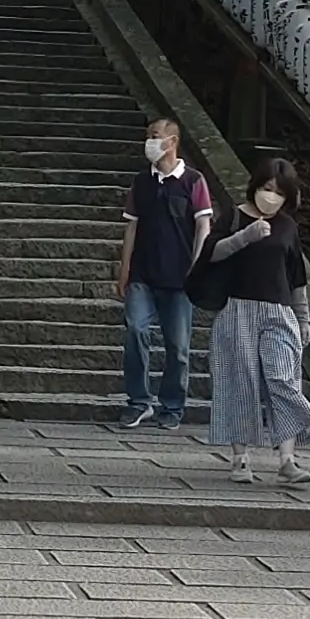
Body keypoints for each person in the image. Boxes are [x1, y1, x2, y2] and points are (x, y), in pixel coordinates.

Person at [201, 153, 310, 489]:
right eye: (268, 188)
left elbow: (297, 277)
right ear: (256, 186)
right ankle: (240, 458)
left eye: (280, 191)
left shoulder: (288, 227)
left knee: (284, 379)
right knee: (239, 383)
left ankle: (287, 458)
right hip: (237, 309)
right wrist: (246, 237)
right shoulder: (235, 217)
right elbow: (212, 252)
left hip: (279, 312)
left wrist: (303, 320)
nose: (272, 196)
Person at [115, 109, 214, 431]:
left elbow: (203, 227)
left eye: (155, 136)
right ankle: (138, 401)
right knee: (135, 331)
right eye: (148, 136)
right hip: (143, 273)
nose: (150, 142)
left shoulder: (193, 181)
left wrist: (199, 268)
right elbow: (131, 227)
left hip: (179, 277)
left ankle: (172, 405)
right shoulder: (142, 182)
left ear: (172, 142)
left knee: (179, 347)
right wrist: (124, 269)